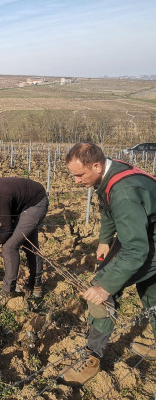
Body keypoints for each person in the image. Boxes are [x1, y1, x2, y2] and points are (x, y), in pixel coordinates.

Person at [60, 142, 156, 386]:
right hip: (146, 233)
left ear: (96, 165)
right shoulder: (111, 172)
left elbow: (137, 250)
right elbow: (108, 209)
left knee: (101, 290)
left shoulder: (123, 191)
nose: (75, 181)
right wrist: (105, 240)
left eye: (79, 175)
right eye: (72, 175)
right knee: (152, 290)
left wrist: (105, 287)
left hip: (146, 242)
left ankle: (92, 358)